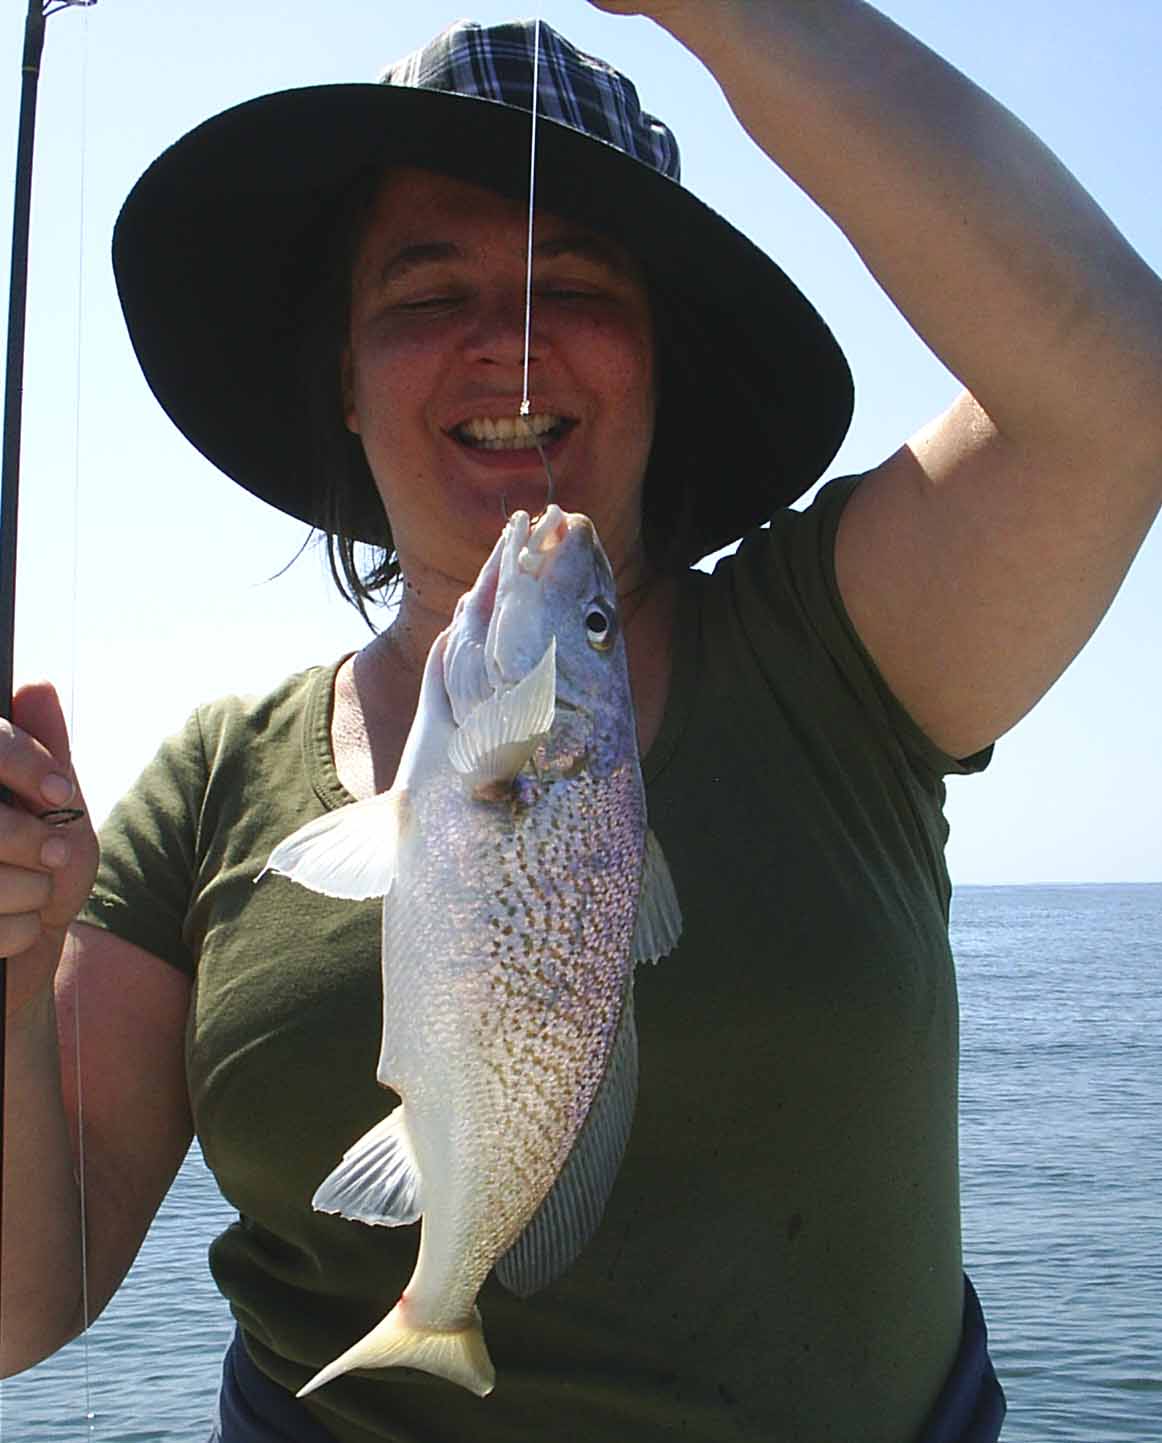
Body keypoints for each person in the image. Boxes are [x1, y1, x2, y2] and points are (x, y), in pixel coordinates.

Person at [3, 4, 1160, 1440]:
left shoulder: (838, 644)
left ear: (666, 366)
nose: (512, 343)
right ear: (343, 391)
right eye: (427, 295)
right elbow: (14, 1314)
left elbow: (1116, 392)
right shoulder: (208, 784)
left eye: (582, 286)